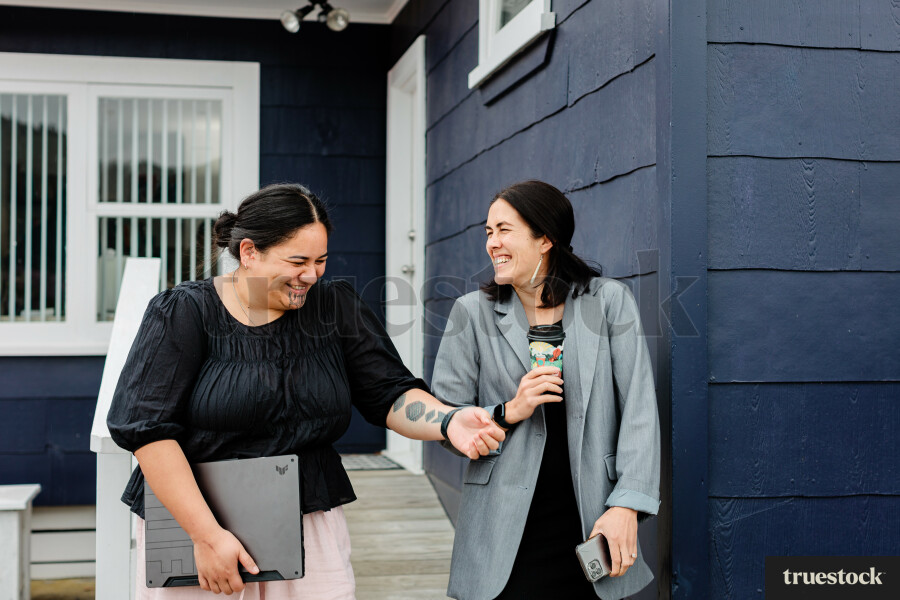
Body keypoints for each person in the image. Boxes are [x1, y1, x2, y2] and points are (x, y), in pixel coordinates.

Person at [107, 183, 505, 599]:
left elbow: (389, 393)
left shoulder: (334, 306)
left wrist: (448, 420)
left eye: (320, 261)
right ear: (249, 252)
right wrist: (206, 536)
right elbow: (147, 429)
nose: (312, 275)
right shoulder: (184, 311)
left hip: (307, 520)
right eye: (297, 261)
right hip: (196, 525)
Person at [432, 180, 661, 599]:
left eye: (504, 230)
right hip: (503, 530)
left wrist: (626, 504)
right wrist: (509, 410)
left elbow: (639, 411)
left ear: (545, 239)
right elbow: (445, 421)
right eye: (488, 232)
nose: (492, 243)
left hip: (592, 520)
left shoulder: (608, 302)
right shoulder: (471, 313)